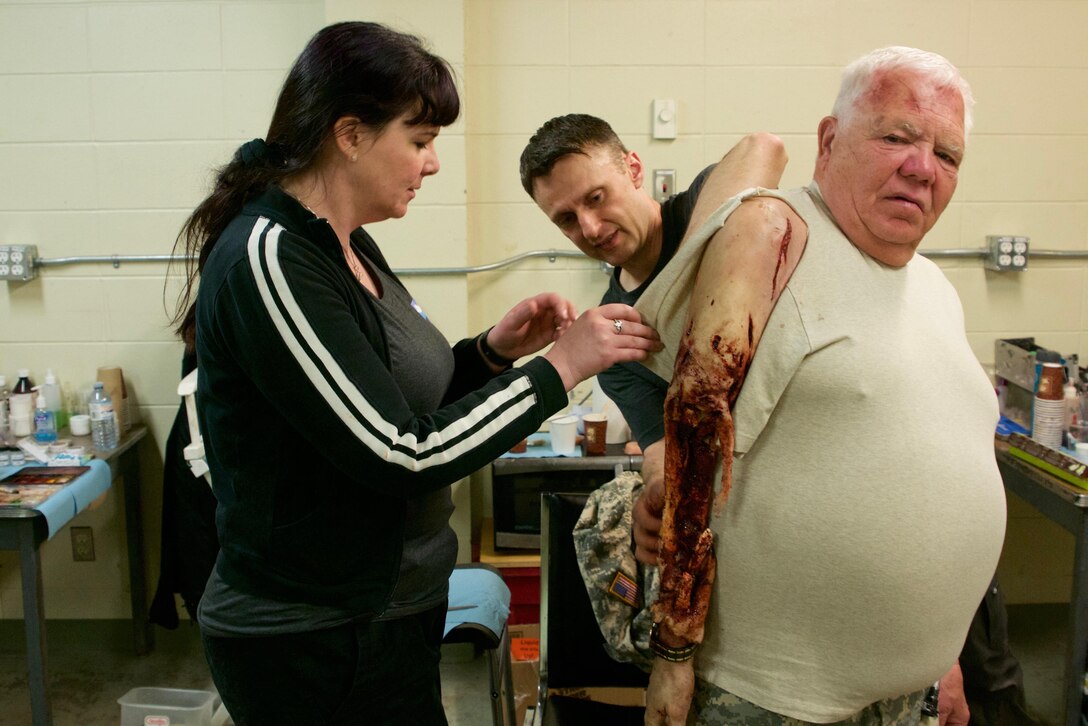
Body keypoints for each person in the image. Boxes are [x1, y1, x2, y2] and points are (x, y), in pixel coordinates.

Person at [169, 22, 661, 726]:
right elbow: (402, 453)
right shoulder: (271, 258)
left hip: (387, 613)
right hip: (315, 637)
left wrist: (492, 352)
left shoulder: (346, 244)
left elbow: (397, 399)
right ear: (351, 134)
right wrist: (560, 366)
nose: (431, 164)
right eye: (420, 140)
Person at [627, 46, 1007, 724]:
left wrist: (939, 652)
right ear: (830, 139)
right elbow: (693, 433)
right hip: (774, 697)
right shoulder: (774, 235)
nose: (922, 169)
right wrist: (673, 658)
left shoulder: (935, 287)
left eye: (947, 156)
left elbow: (928, 469)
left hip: (902, 691)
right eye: (896, 137)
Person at [519, 114, 788, 514]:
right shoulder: (614, 337)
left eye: (596, 198)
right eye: (567, 220)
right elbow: (662, 446)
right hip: (754, 501)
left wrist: (680, 298)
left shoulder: (703, 202)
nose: (590, 229)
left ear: (633, 169)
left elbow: (766, 146)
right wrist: (660, 490)